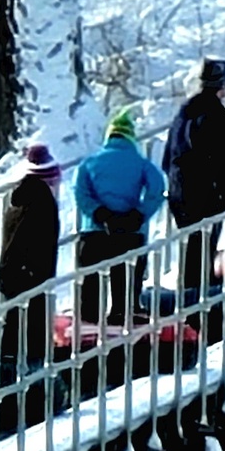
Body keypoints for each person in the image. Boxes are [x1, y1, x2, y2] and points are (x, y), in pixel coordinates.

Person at [73, 108, 166, 325]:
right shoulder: (141, 163)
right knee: (125, 281)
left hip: (95, 232)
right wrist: (139, 215)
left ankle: (89, 322)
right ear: (130, 137)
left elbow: (80, 192)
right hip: (129, 234)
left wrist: (100, 214)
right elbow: (158, 188)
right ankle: (123, 314)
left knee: (91, 282)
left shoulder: (90, 162)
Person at [162, 58, 225, 304]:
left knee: (192, 240)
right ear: (222, 84)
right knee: (204, 241)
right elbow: (218, 160)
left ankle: (190, 289)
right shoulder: (216, 116)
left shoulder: (184, 111)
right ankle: (199, 294)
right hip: (202, 189)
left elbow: (166, 154)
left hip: (177, 185)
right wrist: (224, 192)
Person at [0, 142, 61, 362]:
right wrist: (38, 275)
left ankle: (7, 369)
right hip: (31, 276)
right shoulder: (42, 203)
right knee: (30, 332)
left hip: (13, 274)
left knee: (13, 327)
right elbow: (38, 242)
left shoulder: (19, 199)